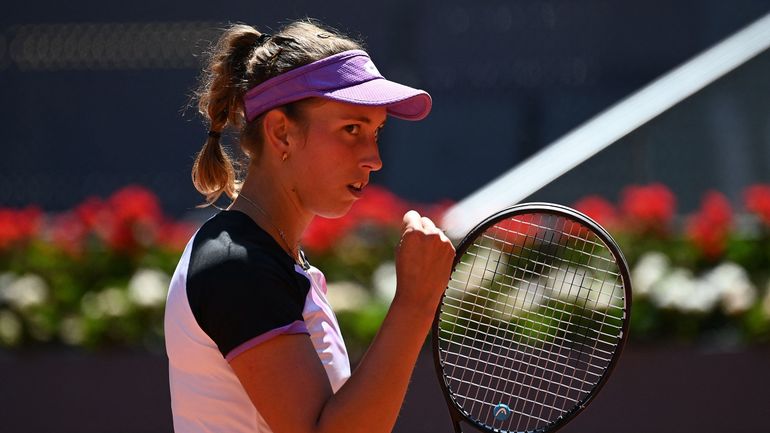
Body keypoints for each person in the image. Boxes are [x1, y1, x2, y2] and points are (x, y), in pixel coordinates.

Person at [164, 19, 455, 433]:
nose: (374, 158)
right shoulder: (236, 266)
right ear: (281, 132)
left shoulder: (272, 258)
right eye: (351, 129)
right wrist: (415, 304)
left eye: (376, 131)